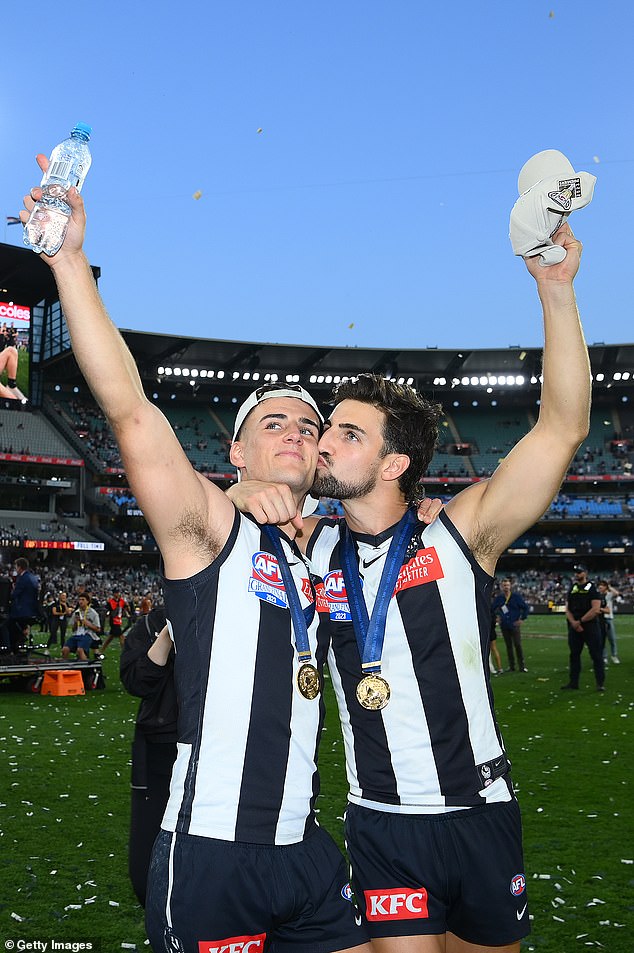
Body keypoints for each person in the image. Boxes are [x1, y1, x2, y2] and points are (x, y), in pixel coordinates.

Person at [20, 166, 371, 953]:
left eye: (308, 426)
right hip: (212, 852)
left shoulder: (334, 547)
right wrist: (70, 262)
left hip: (307, 849)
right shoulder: (209, 528)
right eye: (272, 421)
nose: (294, 431)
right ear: (235, 450)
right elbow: (131, 409)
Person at [230, 221, 591, 952]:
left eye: (347, 435)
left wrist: (556, 291)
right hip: (383, 823)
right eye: (327, 428)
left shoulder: (459, 534)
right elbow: (205, 523)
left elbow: (561, 429)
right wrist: (238, 495)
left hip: (479, 811)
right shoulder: (310, 544)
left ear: (394, 465)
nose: (322, 441)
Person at [120, 606, 177, 908]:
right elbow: (136, 681)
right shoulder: (150, 623)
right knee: (146, 857)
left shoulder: (220, 614)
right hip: (159, 749)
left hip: (211, 747)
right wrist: (166, 636)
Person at [563, 565, 604, 691]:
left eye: (579, 572)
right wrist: (574, 623)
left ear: (585, 573)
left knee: (596, 655)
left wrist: (579, 622)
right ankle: (573, 682)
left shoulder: (592, 588)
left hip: (590, 626)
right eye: (576, 572)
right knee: (574, 655)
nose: (577, 574)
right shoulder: (573, 588)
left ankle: (600, 683)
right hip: (575, 626)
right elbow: (567, 609)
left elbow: (596, 609)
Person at [491, 578, 529, 672]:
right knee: (509, 646)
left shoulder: (516, 597)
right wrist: (496, 617)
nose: (506, 587)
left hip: (515, 624)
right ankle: (512, 666)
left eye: (507, 585)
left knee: (517, 645)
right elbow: (491, 609)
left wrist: (522, 619)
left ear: (510, 586)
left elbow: (525, 608)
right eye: (504, 585)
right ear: (501, 587)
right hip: (504, 625)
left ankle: (522, 666)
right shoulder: (499, 598)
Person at [8, 557, 41, 654]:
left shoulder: (23, 579)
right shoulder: (32, 577)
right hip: (32, 609)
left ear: (19, 567)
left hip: (23, 610)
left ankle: (13, 647)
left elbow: (14, 595)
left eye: (16, 567)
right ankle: (21, 636)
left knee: (7, 622)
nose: (15, 569)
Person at [62, 593, 101, 662]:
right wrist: (75, 623)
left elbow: (98, 629)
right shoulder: (76, 612)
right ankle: (65, 667)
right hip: (77, 634)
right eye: (79, 600)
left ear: (87, 601)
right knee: (65, 649)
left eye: (83, 600)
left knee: (80, 650)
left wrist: (88, 624)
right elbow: (73, 629)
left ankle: (86, 668)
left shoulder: (93, 613)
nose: (80, 601)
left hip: (88, 634)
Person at [597, 579, 620, 664]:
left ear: (605, 587)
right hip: (600, 618)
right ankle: (604, 657)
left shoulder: (608, 595)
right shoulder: (598, 596)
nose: (600, 587)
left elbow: (616, 593)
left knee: (612, 639)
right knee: (602, 639)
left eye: (602, 585)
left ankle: (614, 655)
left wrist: (609, 586)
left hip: (608, 618)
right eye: (599, 585)